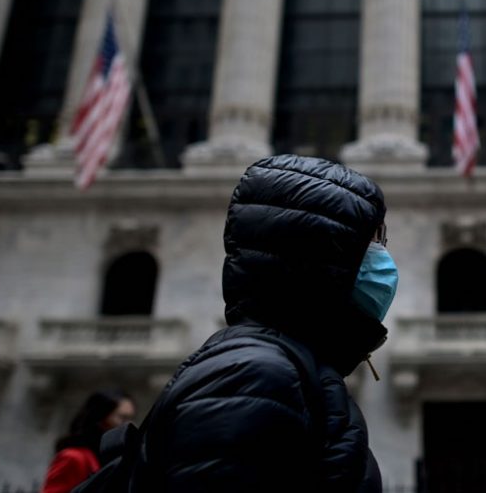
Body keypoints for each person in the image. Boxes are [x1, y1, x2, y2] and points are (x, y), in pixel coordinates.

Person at [140, 154, 396, 491]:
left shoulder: (292, 370)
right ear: (322, 259)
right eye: (374, 243)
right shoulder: (257, 374)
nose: (384, 257)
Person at [42, 389, 136, 493]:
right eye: (122, 418)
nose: (128, 425)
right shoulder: (73, 457)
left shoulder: (111, 458)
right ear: (101, 419)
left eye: (131, 418)